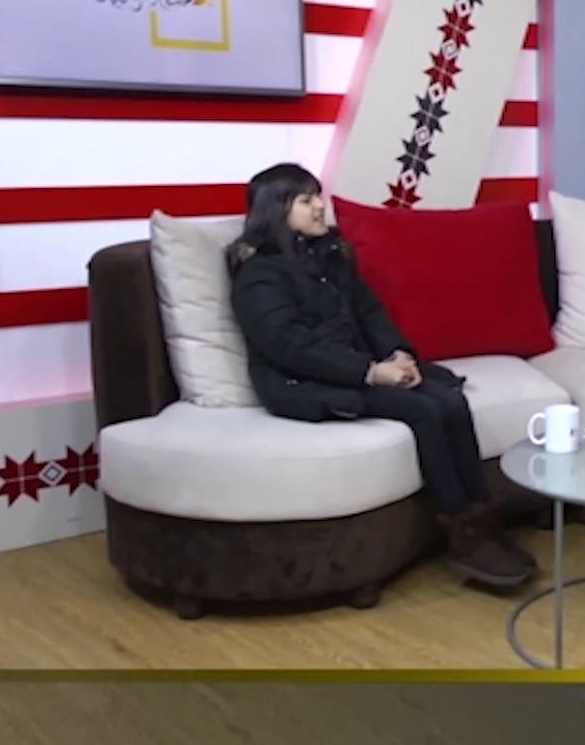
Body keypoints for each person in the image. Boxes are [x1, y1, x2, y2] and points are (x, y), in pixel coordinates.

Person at [227, 163, 535, 589]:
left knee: (449, 398)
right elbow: (290, 347)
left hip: (357, 368)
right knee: (423, 409)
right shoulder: (259, 275)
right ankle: (462, 536)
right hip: (302, 384)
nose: (320, 206)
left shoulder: (328, 255)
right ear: (275, 210)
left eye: (318, 196)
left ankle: (482, 518)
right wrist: (370, 372)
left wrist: (397, 353)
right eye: (306, 200)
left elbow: (369, 311)